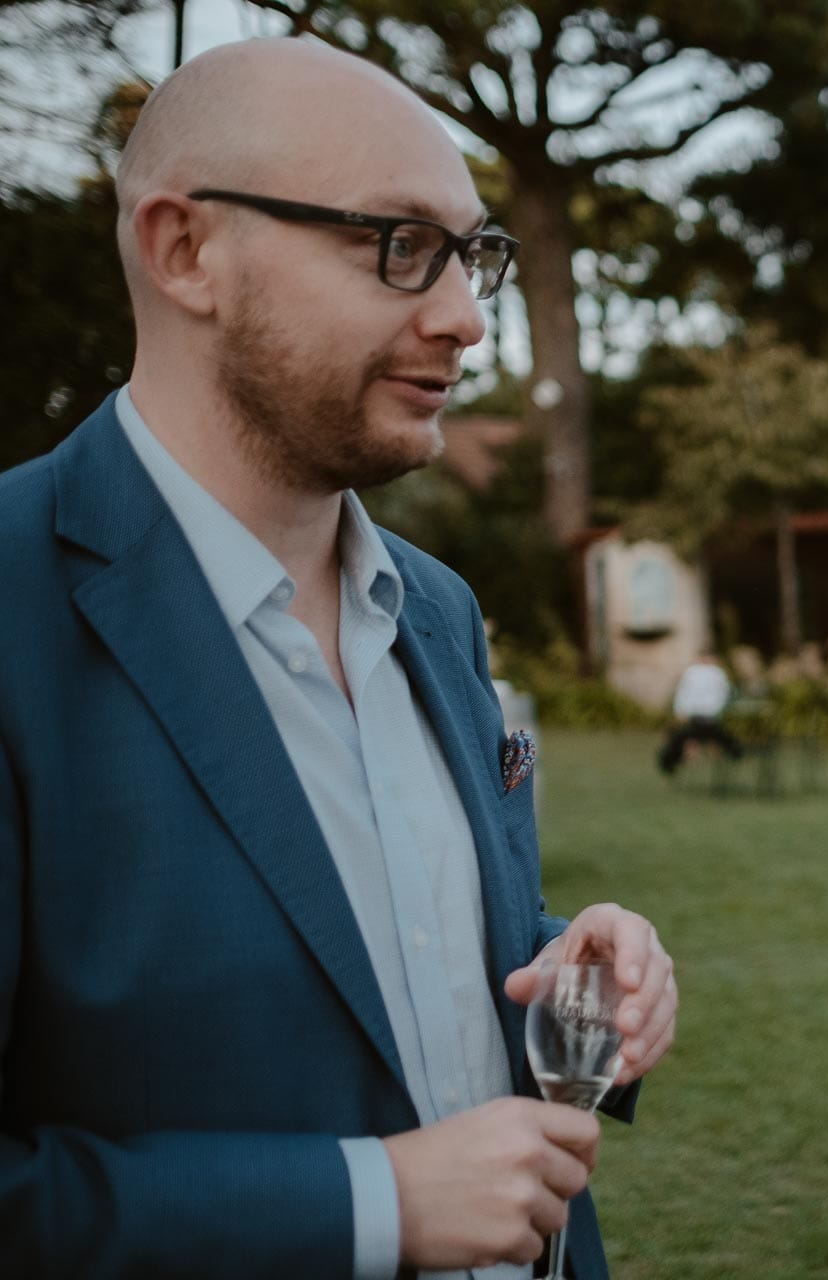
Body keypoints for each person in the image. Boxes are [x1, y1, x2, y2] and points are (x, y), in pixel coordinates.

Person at [0, 39, 679, 1279]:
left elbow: (373, 952)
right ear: (185, 250)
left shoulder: (438, 607)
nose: (468, 318)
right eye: (398, 245)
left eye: (472, 253)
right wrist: (371, 1201)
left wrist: (567, 976)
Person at [658, 650, 741, 773]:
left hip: (706, 718)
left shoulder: (714, 673)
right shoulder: (696, 672)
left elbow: (723, 694)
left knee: (687, 736)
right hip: (699, 718)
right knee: (683, 737)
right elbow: (685, 693)